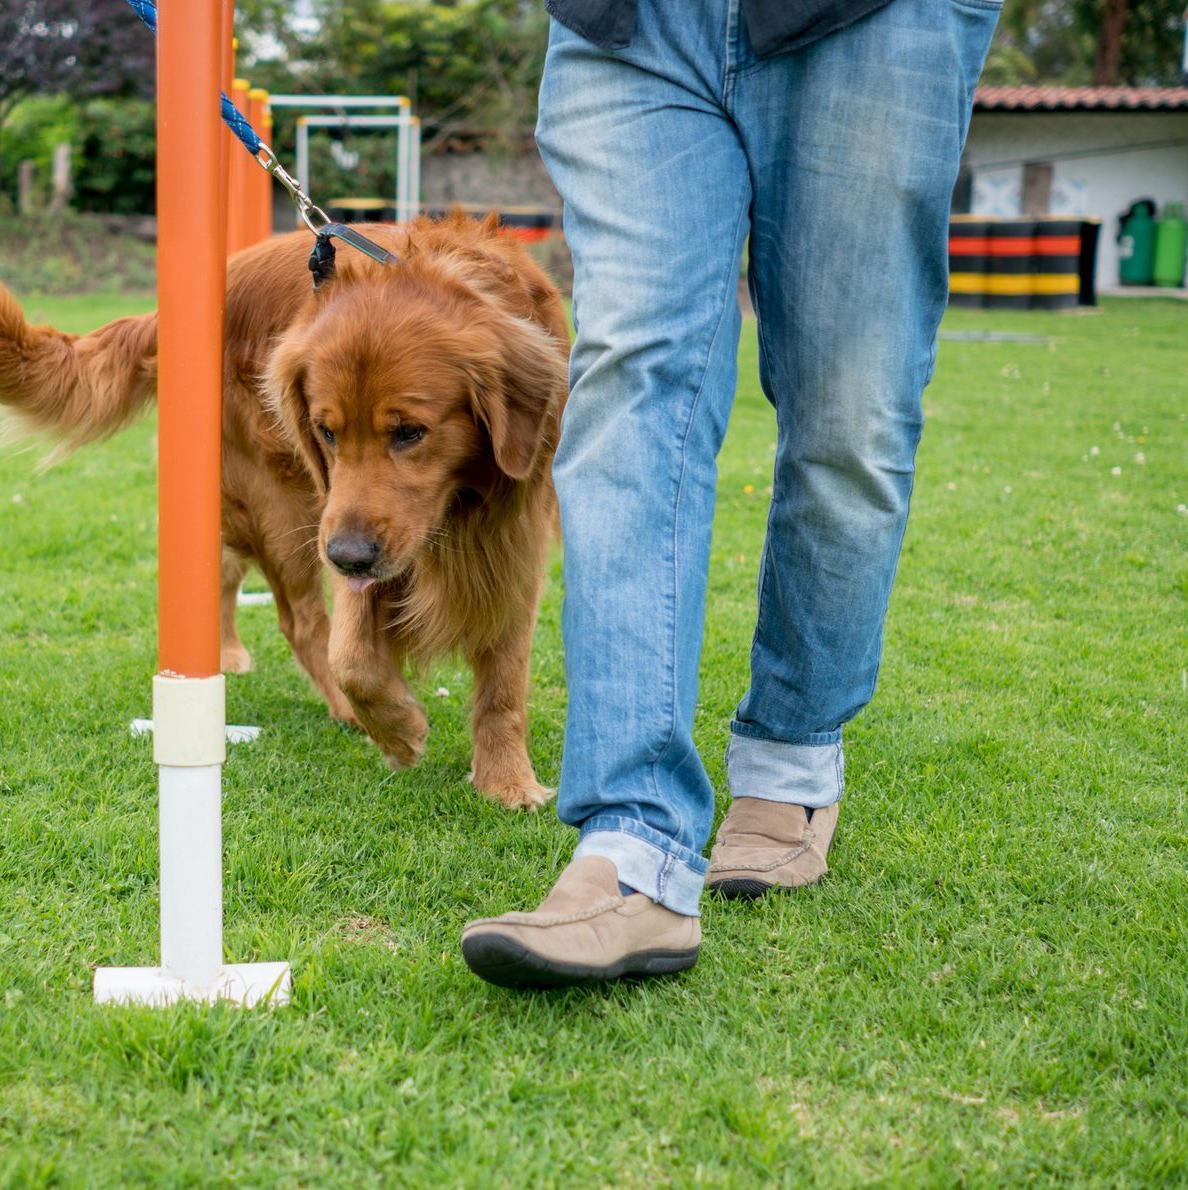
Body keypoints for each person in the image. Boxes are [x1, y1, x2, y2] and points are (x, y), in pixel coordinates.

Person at [459, 0, 1001, 988]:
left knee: (851, 412)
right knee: (630, 380)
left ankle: (793, 751)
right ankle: (634, 846)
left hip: (874, 22)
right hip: (630, 27)